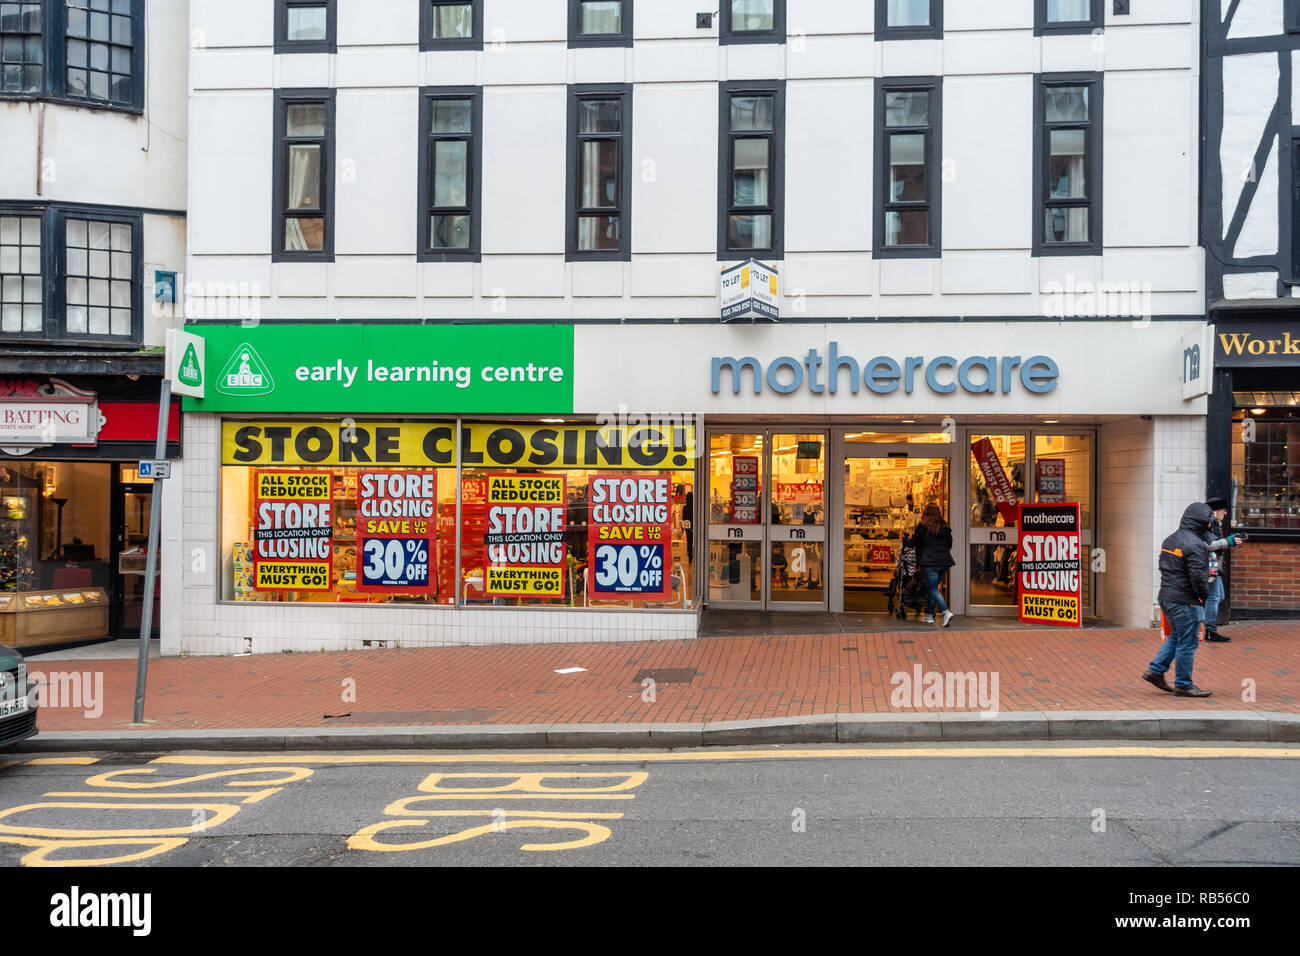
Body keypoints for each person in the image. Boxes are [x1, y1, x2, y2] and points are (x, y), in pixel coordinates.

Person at [1143, 501, 1214, 698]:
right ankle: (1183, 684)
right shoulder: (1196, 545)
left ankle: (1155, 671)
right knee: (1188, 642)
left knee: (1177, 636)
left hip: (1167, 597)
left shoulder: (1170, 540)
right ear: (1202, 523)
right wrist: (1203, 596)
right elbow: (1198, 577)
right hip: (1185, 600)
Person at [1200, 496, 1246, 643]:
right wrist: (1229, 541)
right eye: (1223, 510)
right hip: (1210, 565)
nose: (1225, 513)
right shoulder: (1209, 525)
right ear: (1215, 511)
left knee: (1219, 597)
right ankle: (1210, 631)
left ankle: (1204, 626)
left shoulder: (1214, 524)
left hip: (1215, 565)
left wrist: (1230, 541)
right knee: (1213, 597)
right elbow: (1210, 545)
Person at [912, 503, 955, 626]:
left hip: (929, 561)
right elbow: (949, 544)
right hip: (944, 562)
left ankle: (945, 611)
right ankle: (929, 615)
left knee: (933, 589)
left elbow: (914, 542)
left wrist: (906, 541)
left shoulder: (923, 526)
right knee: (934, 588)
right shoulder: (945, 527)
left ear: (925, 512)